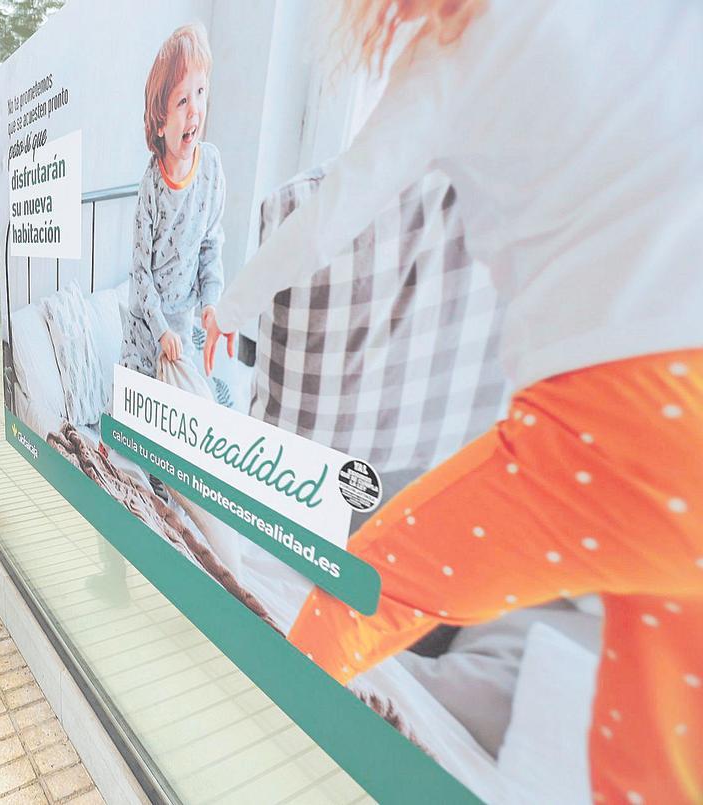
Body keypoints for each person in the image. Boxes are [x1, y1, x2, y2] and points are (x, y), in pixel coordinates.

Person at [203, 1, 702, 801]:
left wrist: (227, 310)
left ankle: (241, 769)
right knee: (662, 740)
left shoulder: (452, 47)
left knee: (355, 589)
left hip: (608, 429)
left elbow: (328, 218)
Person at [120, 22, 226, 377]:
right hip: (145, 329)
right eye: (182, 100)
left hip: (181, 328)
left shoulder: (210, 169)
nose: (195, 109)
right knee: (124, 420)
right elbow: (140, 271)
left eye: (200, 91)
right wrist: (159, 328)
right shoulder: (151, 187)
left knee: (172, 418)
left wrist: (210, 303)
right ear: (161, 122)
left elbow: (210, 246)